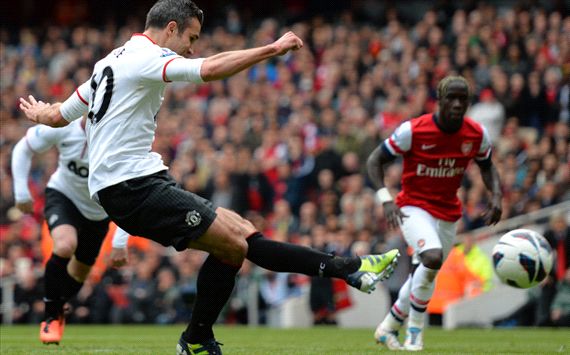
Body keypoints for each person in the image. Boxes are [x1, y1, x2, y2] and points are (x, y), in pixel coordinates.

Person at [18, 1, 400, 353]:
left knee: (237, 240)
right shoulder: (148, 57)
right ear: (171, 29)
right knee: (236, 238)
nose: (191, 48)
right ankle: (349, 270)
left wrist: (39, 114)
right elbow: (210, 69)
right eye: (191, 38)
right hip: (131, 187)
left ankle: (203, 335)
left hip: (133, 184)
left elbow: (59, 116)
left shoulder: (109, 62)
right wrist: (271, 49)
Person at [367, 75, 502, 351]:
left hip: (448, 212)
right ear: (439, 100)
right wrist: (386, 199)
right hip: (412, 207)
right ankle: (415, 333)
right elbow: (375, 160)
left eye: (462, 99)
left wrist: (497, 195)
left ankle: (388, 327)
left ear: (468, 102)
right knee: (431, 257)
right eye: (450, 98)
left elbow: (487, 165)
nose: (456, 104)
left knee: (425, 273)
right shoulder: (414, 131)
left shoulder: (476, 134)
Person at [11, 116, 130, 344]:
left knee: (80, 272)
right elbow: (22, 148)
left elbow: (131, 189)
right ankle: (51, 316)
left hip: (98, 212)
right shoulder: (63, 125)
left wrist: (120, 241)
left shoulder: (117, 138)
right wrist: (21, 192)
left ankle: (58, 304)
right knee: (65, 245)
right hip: (63, 195)